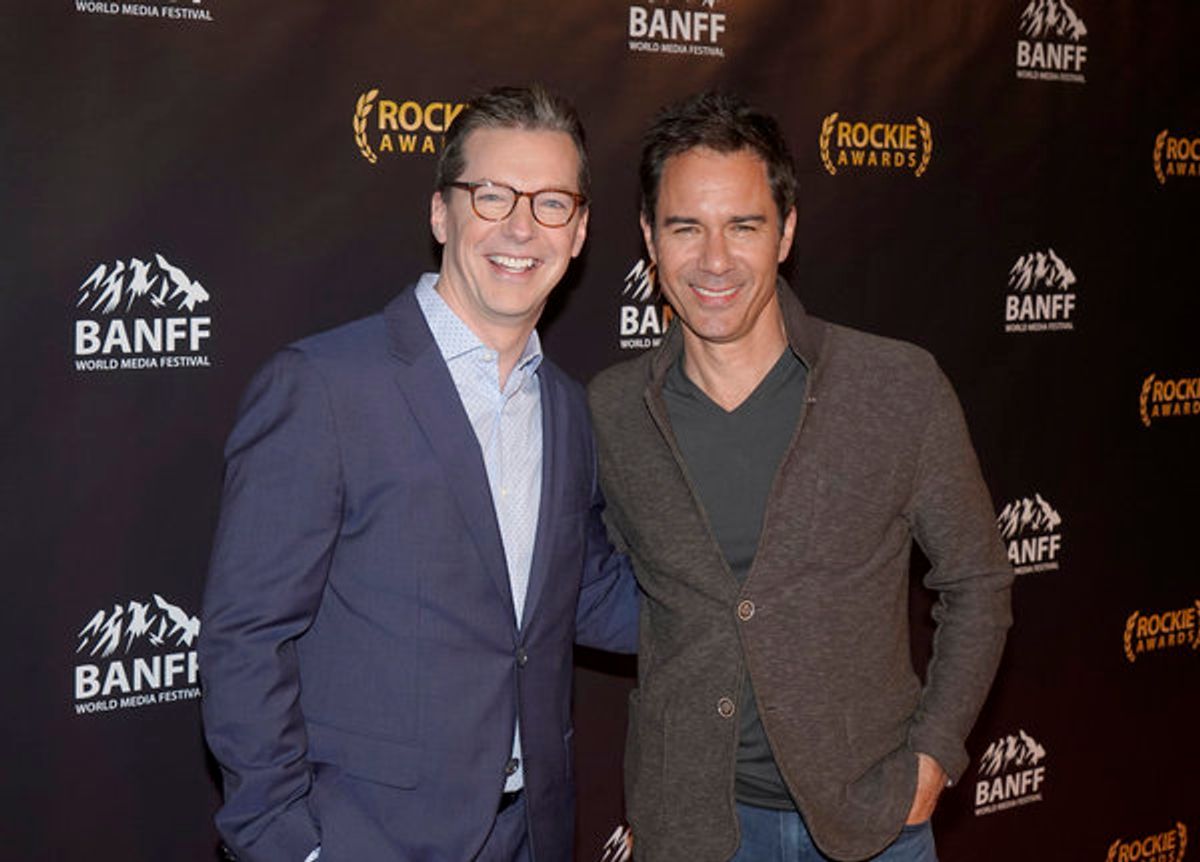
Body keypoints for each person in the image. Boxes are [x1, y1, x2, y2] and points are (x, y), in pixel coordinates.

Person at [200, 84, 638, 862]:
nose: (519, 227)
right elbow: (246, 635)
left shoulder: (569, 409)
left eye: (550, 204)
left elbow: (580, 592)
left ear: (578, 234)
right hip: (363, 839)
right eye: (492, 194)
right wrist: (287, 844)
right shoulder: (325, 386)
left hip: (530, 832)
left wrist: (753, 602)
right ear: (442, 213)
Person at [588, 92, 1014, 862]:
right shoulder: (614, 411)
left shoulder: (895, 386)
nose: (714, 260)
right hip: (689, 825)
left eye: (743, 226)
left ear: (785, 232)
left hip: (873, 821)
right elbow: (612, 585)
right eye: (686, 227)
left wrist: (935, 753)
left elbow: (979, 582)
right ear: (649, 237)